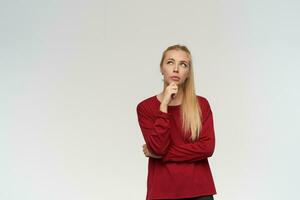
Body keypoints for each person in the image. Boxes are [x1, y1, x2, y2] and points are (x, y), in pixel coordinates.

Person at [136, 44, 217, 200]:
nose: (176, 69)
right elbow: (159, 147)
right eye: (170, 62)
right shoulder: (145, 108)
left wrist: (163, 155)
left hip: (199, 192)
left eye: (183, 64)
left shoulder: (201, 105)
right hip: (162, 192)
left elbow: (207, 148)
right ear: (161, 68)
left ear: (188, 73)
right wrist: (164, 106)